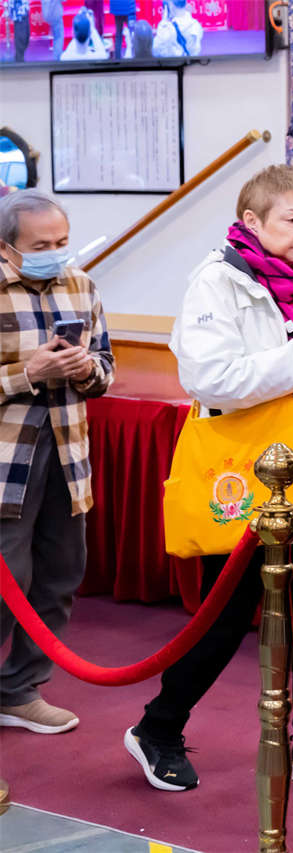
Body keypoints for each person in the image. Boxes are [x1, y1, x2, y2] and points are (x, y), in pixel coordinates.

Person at [124, 165, 293, 794]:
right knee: (226, 618)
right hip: (243, 472)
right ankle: (158, 727)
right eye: (291, 220)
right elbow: (213, 380)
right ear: (252, 221)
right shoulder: (218, 281)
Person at [0, 190, 114, 734]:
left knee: (61, 576)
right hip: (7, 463)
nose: (54, 253)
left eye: (62, 242)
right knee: (8, 582)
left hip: (68, 457)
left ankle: (19, 689)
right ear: (7, 248)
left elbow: (107, 368)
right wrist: (29, 374)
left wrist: (85, 369)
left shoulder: (82, 285)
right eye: (40, 246)